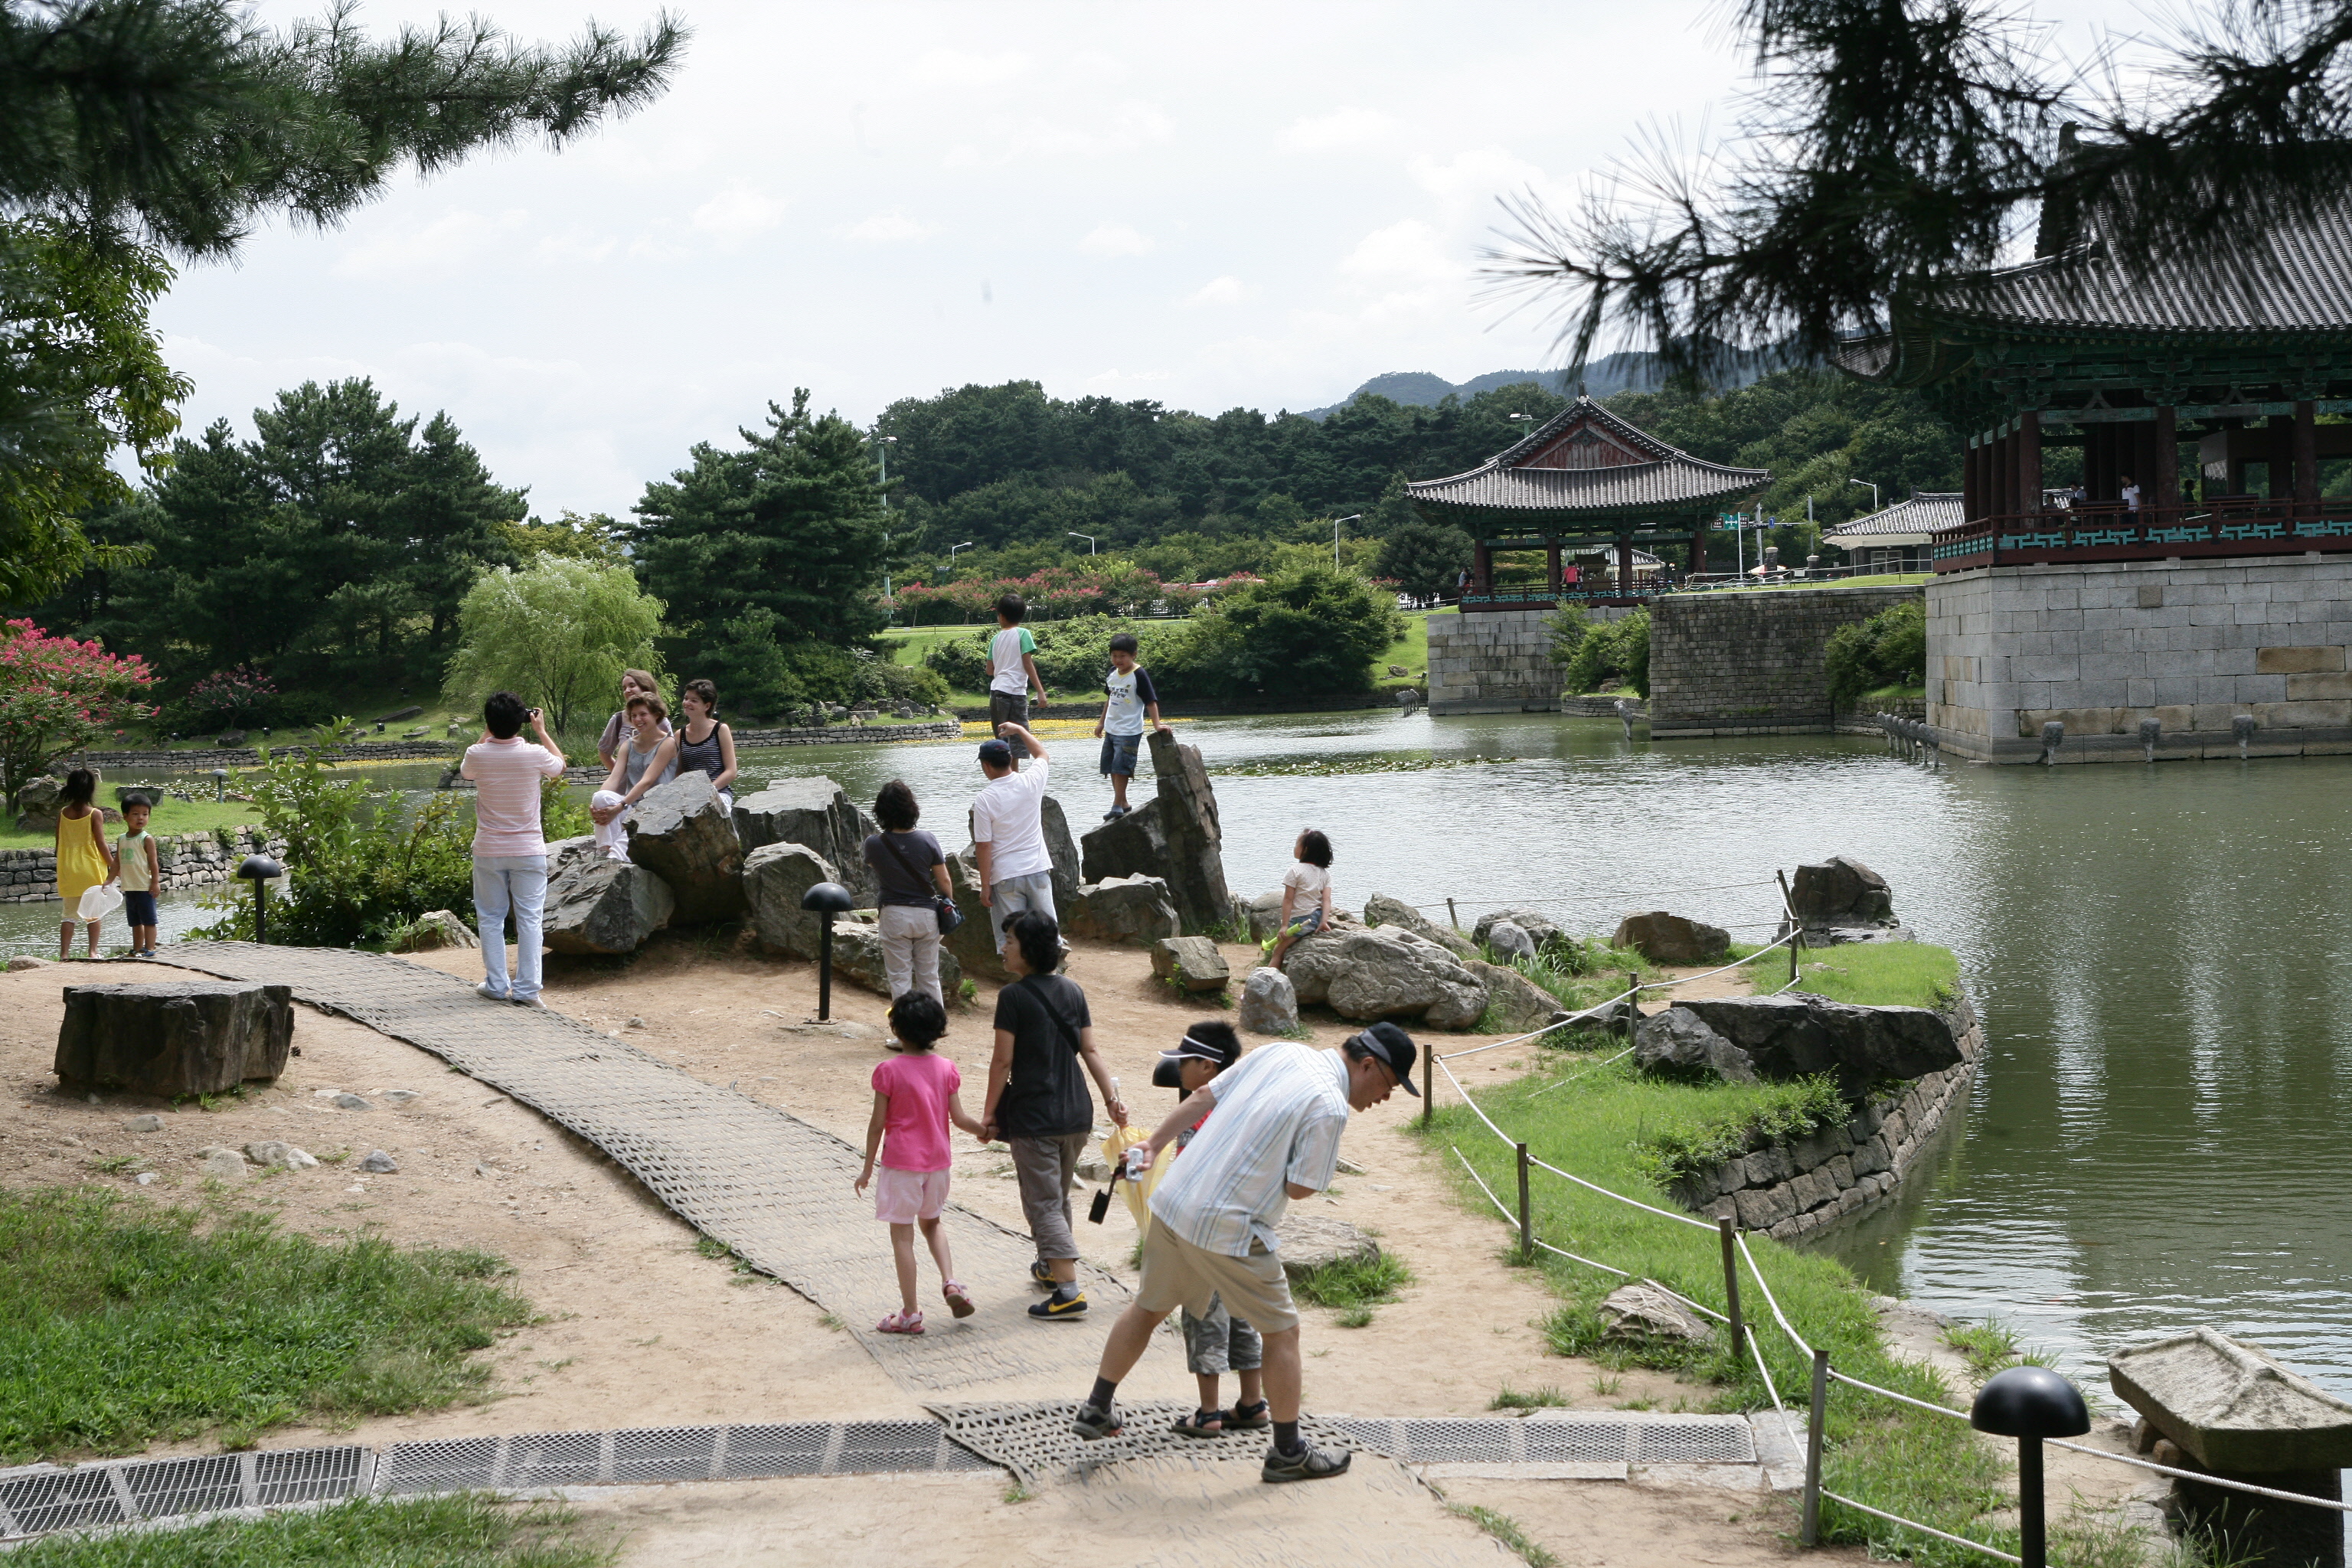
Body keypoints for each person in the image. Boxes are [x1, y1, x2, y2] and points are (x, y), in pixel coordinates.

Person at [1070, 1022, 1420, 1485]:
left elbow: (1200, 1100)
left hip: (1176, 1200)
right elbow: (1299, 1188)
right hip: (1228, 1227)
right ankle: (1289, 1451)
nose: (1386, 1097)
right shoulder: (1331, 1106)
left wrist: (1152, 1144)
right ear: (1369, 1065)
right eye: (1390, 1085)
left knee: (1147, 1309)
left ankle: (1097, 1407)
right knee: (1283, 1332)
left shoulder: (1281, 1051)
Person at [982, 910, 1129, 1321]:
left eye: (1010, 940)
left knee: (1043, 1203)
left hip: (1035, 1116)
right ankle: (1050, 1268)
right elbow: (1092, 1052)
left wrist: (990, 1114)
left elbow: (1001, 1062)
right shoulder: (1072, 991)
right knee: (1055, 1197)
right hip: (1077, 1114)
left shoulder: (1012, 998)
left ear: (1027, 951)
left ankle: (1068, 1291)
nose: (1005, 946)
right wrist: (1113, 1100)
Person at [1153, 1023, 1266, 1439]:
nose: (1178, 1067)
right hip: (1242, 1226)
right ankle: (1252, 1404)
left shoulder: (1202, 1112)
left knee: (1203, 1314)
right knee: (1244, 1311)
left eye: (1185, 1060)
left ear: (1207, 1066)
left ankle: (1208, 1413)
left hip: (1204, 1229)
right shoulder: (1241, 1106)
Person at [854, 991, 988, 1334]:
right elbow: (958, 1118)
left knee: (903, 1237)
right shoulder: (946, 1068)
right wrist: (987, 1130)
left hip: (901, 1165)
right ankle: (951, 1282)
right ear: (937, 1030)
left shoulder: (888, 1070)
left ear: (897, 1030)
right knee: (933, 1224)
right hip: (938, 1164)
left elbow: (877, 1125)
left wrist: (868, 1168)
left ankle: (911, 1314)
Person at [461, 691, 567, 1008]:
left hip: (489, 850)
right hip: (528, 849)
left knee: (491, 917)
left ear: (489, 722)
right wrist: (542, 731)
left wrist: (489, 732)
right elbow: (560, 766)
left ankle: (495, 984)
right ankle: (527, 990)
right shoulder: (534, 753)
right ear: (522, 720)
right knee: (530, 919)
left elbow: (467, 771)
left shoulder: (476, 753)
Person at [864, 779, 949, 1006]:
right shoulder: (927, 839)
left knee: (899, 979)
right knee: (929, 976)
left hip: (894, 914)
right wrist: (949, 904)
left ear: (880, 811)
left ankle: (904, 1034)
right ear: (912, 809)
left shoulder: (873, 843)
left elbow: (876, 866)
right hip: (926, 914)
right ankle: (934, 1028)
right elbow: (945, 880)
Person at [972, 721, 1054, 955]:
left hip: (1006, 877)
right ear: (1009, 760)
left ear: (987, 766)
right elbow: (1042, 753)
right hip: (1038, 871)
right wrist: (1019, 730)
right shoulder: (1030, 782)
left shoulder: (984, 799)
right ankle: (1051, 983)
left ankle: (1022, 986)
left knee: (1013, 942)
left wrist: (985, 886)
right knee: (1047, 935)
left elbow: (984, 845)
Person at [619, 678, 737, 815]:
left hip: (719, 792)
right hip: (689, 795)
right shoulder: (680, 735)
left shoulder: (720, 730)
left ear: (707, 706)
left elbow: (731, 772)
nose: (687, 703)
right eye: (686, 698)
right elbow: (678, 771)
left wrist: (708, 791)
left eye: (694, 700)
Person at [590, 693, 677, 861]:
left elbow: (647, 781)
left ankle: (613, 853)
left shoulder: (668, 743)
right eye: (634, 716)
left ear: (656, 714)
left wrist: (620, 806)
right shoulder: (628, 745)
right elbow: (614, 779)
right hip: (632, 808)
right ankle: (605, 849)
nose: (638, 719)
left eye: (643, 714)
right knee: (601, 798)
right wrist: (594, 805)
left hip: (656, 810)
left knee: (619, 853)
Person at [1093, 632, 1168, 822]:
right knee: (1111, 766)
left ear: (1133, 655)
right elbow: (1110, 699)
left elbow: (1151, 701)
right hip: (1112, 727)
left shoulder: (1139, 674)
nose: (1118, 660)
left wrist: (1157, 725)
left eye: (1122, 656)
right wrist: (1101, 722)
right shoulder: (1112, 673)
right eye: (1115, 656)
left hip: (1129, 729)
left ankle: (1116, 805)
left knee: (1122, 767)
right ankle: (1123, 803)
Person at [53, 769, 114, 960]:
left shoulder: (63, 813)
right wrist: (114, 866)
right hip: (90, 868)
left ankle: (64, 954)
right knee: (94, 914)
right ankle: (93, 952)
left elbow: (58, 844)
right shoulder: (95, 814)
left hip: (69, 869)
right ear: (90, 790)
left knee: (69, 915)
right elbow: (101, 844)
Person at [1267, 829, 1334, 970]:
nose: (1294, 847)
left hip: (1300, 921)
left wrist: (1285, 926)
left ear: (1305, 850)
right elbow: (1326, 900)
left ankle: (1268, 981)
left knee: (1277, 951)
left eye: (1297, 844)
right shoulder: (1324, 873)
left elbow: (1288, 900)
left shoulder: (1295, 871)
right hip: (1315, 919)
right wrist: (1323, 921)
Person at [988, 593, 1048, 735]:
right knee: (1018, 738)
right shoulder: (1023, 634)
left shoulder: (995, 639)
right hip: (1014, 692)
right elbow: (1027, 664)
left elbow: (990, 670)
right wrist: (1040, 691)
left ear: (1001, 616)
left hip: (996, 692)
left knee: (1002, 739)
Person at [596, 669, 668, 771]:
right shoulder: (618, 719)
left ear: (645, 687)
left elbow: (672, 756)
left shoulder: (662, 722)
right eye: (624, 688)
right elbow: (604, 752)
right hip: (626, 786)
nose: (627, 691)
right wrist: (620, 775)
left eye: (632, 686)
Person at [116, 795, 162, 959]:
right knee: (135, 921)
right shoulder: (122, 839)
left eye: (145, 814)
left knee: (149, 920)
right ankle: (137, 948)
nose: (140, 818)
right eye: (135, 814)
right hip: (130, 887)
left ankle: (150, 948)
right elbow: (117, 862)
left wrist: (155, 882)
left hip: (144, 886)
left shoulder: (146, 839)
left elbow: (153, 862)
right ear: (125, 816)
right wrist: (108, 880)